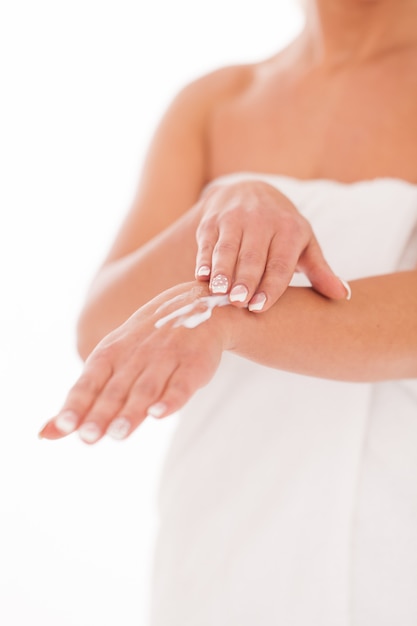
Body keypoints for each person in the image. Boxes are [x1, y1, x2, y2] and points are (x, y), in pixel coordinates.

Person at [39, 0, 417, 623]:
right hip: (221, 530)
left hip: (389, 535)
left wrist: (224, 320)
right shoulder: (215, 102)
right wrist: (222, 203)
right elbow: (101, 330)